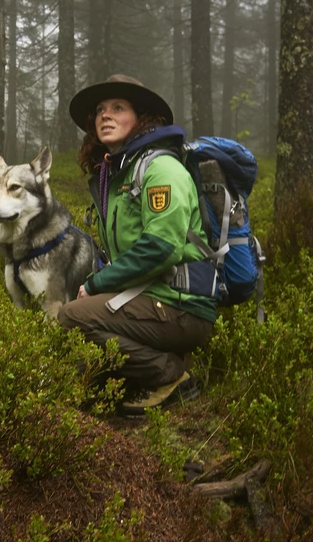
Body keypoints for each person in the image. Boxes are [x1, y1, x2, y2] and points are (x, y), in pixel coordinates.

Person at [56, 74, 216, 417]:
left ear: (141, 117)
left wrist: (98, 284)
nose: (105, 116)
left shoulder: (161, 169)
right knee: (79, 324)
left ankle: (170, 374)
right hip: (151, 298)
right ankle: (153, 366)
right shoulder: (117, 175)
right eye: (100, 110)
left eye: (117, 107)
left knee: (72, 317)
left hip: (181, 305)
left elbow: (161, 247)